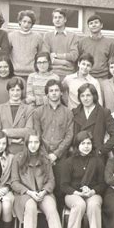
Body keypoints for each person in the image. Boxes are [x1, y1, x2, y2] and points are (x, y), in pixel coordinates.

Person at [10, 134, 69, 228]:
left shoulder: (45, 159)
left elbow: (51, 180)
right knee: (30, 207)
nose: (33, 145)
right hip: (25, 194)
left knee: (52, 208)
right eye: (30, 142)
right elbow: (14, 182)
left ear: (39, 144)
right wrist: (29, 192)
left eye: (36, 142)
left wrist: (44, 192)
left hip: (43, 193)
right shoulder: (18, 158)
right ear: (25, 143)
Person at [60, 131, 105, 228]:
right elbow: (64, 185)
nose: (86, 146)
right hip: (73, 195)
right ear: (77, 145)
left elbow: (103, 184)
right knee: (79, 205)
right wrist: (77, 193)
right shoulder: (69, 162)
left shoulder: (97, 161)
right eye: (83, 143)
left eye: (89, 143)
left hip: (92, 194)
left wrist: (92, 191)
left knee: (93, 205)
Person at [32, 79, 74, 211]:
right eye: (51, 91)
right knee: (42, 187)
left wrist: (56, 154)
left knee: (60, 189)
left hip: (61, 158)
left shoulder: (68, 112)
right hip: (42, 156)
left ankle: (59, 225)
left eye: (56, 90)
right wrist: (45, 155)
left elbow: (69, 136)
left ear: (61, 93)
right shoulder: (38, 112)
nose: (54, 93)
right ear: (47, 94)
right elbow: (37, 135)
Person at [72, 83, 114, 160]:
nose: (85, 98)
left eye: (88, 95)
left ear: (94, 96)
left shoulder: (104, 112)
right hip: (78, 157)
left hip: (96, 157)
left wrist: (101, 150)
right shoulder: (74, 112)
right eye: (82, 96)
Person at [0, 77, 34, 155]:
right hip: (3, 150)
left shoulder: (29, 109)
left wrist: (5, 131)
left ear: (22, 91)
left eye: (18, 90)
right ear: (8, 91)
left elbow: (29, 131)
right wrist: (11, 140)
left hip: (22, 151)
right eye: (12, 90)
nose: (15, 93)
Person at [78, 14, 114, 90]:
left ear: (101, 25)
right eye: (91, 23)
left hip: (103, 78)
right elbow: (78, 61)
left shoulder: (109, 43)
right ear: (88, 27)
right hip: (86, 77)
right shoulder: (82, 42)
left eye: (96, 22)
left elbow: (111, 62)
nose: (93, 25)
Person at [42, 8, 79, 80]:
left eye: (60, 17)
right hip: (51, 73)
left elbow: (74, 56)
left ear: (65, 20)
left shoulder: (73, 36)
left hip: (68, 74)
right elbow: (46, 57)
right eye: (55, 17)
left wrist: (56, 55)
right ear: (53, 20)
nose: (57, 20)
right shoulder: (47, 36)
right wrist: (65, 62)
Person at [8, 10, 43, 78]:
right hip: (15, 74)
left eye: (29, 22)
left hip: (32, 74)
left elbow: (40, 55)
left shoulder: (37, 37)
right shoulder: (11, 36)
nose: (26, 25)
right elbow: (7, 54)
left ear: (32, 24)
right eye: (24, 21)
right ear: (20, 22)